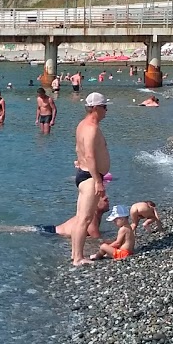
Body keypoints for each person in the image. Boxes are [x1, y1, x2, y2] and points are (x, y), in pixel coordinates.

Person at [70, 92, 111, 265]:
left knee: (81, 218)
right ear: (94, 108)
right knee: (85, 219)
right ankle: (78, 258)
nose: (106, 110)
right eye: (104, 107)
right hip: (90, 177)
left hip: (84, 173)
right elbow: (90, 155)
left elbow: (78, 148)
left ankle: (75, 254)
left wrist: (79, 162)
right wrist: (99, 181)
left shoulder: (82, 125)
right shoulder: (91, 128)